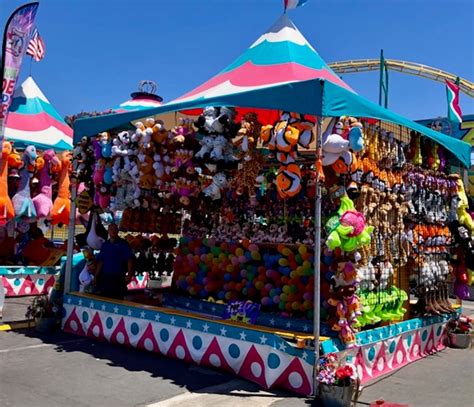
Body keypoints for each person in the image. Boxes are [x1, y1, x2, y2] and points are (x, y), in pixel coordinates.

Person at [95, 224, 134, 299]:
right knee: (105, 298)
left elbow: (129, 260)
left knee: (117, 298)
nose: (113, 231)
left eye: (115, 229)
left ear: (117, 231)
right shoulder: (105, 245)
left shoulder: (123, 244)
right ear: (108, 231)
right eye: (111, 229)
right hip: (106, 276)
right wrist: (96, 275)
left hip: (118, 277)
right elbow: (101, 261)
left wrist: (129, 275)